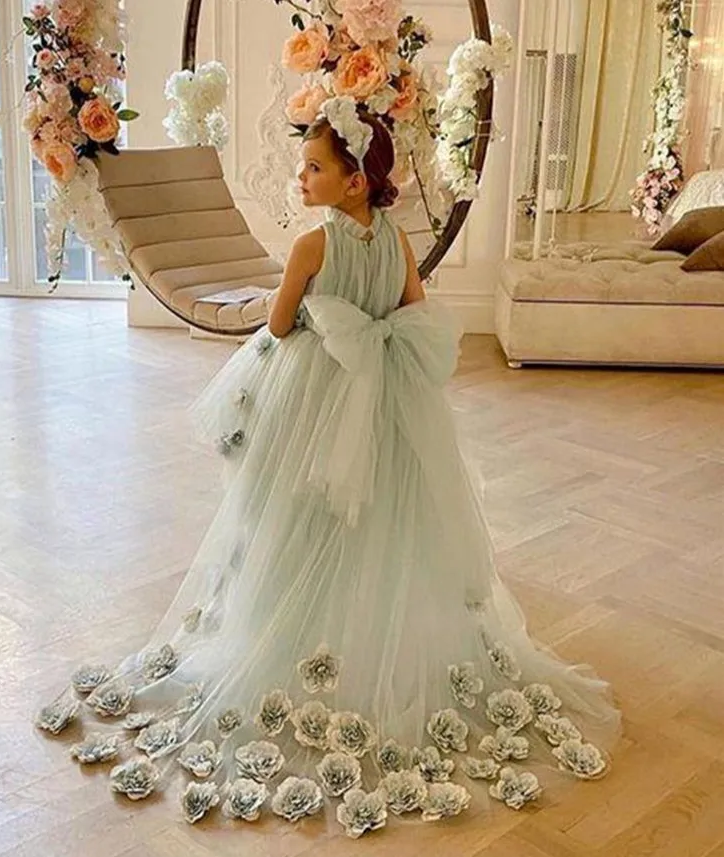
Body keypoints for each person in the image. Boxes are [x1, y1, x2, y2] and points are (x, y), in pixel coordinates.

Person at [36, 96, 620, 836]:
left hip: (317, 394)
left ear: (353, 180)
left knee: (296, 503)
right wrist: (374, 332)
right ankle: (370, 614)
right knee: (387, 506)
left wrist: (322, 315)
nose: (302, 177)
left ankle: (291, 617)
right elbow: (414, 310)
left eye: (314, 168)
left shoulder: (313, 246)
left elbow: (279, 323)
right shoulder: (397, 240)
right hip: (387, 402)